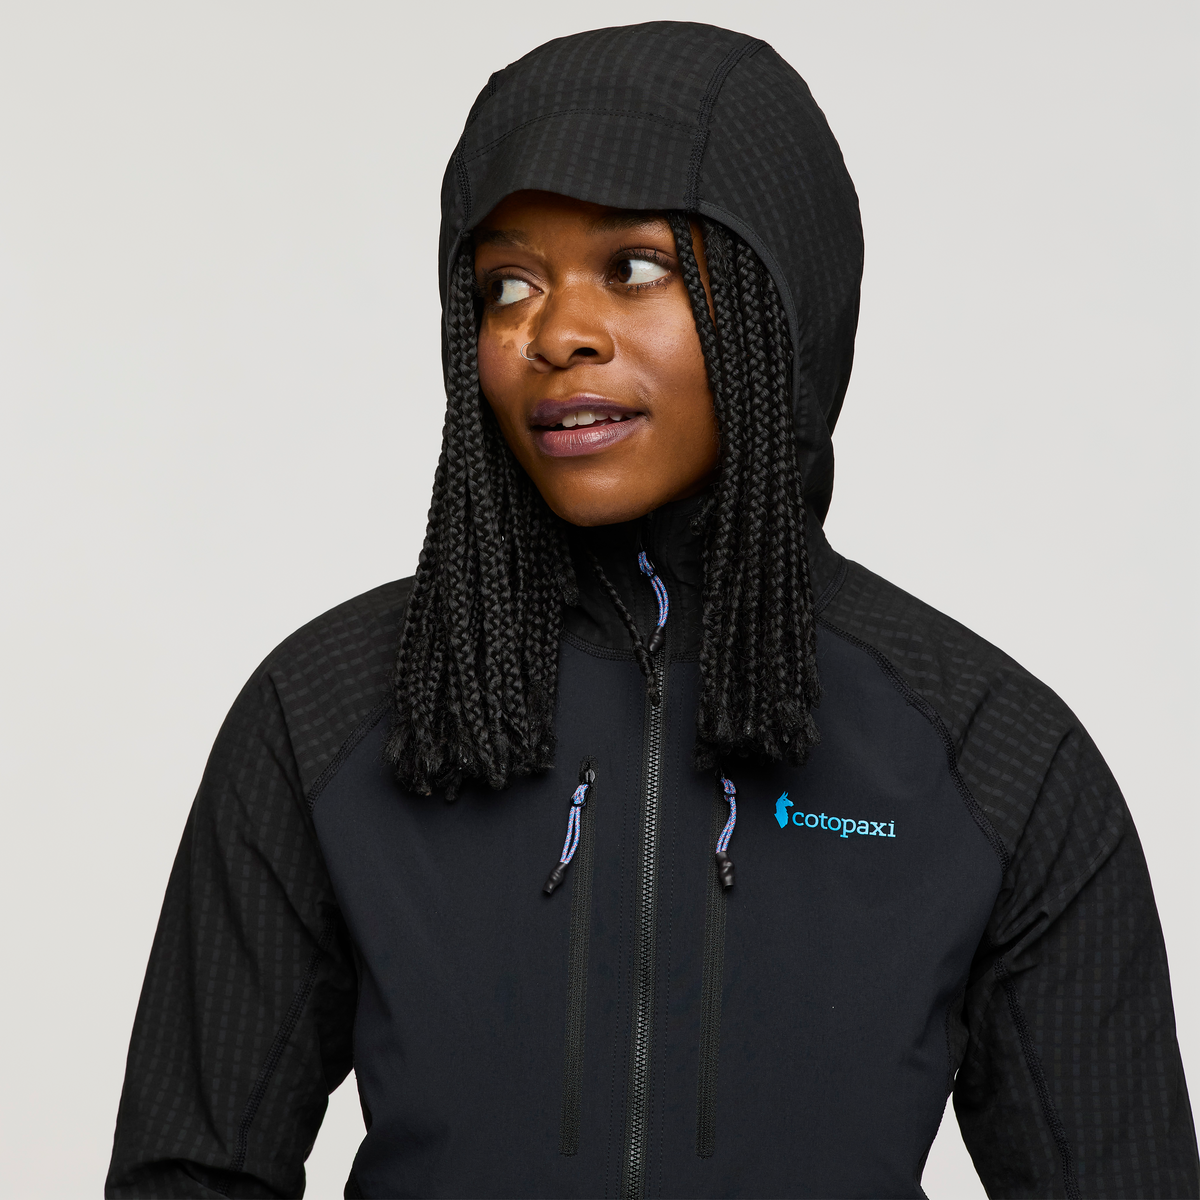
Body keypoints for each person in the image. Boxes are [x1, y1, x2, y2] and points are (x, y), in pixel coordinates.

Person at [105, 20, 1198, 1200]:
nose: (554, 334)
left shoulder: (992, 757)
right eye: (507, 286)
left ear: (779, 304)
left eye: (632, 269)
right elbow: (188, 1174)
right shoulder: (328, 714)